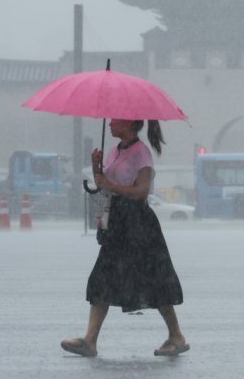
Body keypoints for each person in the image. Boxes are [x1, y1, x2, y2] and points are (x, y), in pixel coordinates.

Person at [60, 119, 188, 358]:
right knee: (103, 277)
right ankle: (90, 340)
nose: (110, 123)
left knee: (154, 279)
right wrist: (97, 168)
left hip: (138, 225)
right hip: (118, 224)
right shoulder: (115, 151)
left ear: (129, 123)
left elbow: (141, 191)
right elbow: (106, 186)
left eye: (115, 119)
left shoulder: (141, 153)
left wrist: (111, 184)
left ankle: (176, 335)